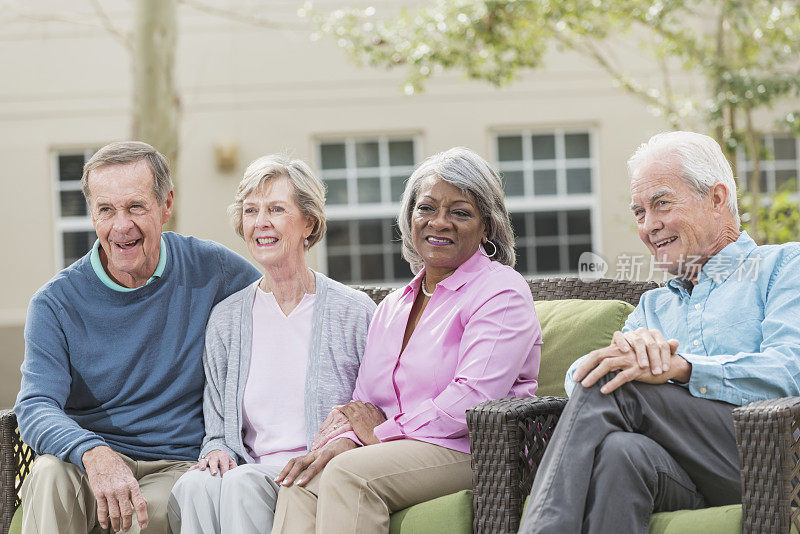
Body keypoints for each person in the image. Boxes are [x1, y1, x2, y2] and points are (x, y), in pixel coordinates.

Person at [519, 131, 800, 533]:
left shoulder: (784, 265)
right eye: (638, 212)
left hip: (774, 460)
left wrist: (681, 367)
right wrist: (621, 356)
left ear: (717, 199)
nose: (650, 225)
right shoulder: (653, 307)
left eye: (662, 203)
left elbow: (788, 371)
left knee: (621, 382)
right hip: (687, 471)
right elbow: (583, 383)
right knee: (621, 452)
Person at [271, 146, 542, 533]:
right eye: (427, 208)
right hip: (397, 448)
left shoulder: (501, 292)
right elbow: (363, 401)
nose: (440, 222)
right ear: (410, 217)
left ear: (487, 226)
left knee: (350, 475)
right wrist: (346, 438)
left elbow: (474, 398)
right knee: (303, 479)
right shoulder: (394, 305)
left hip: (478, 450)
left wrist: (380, 433)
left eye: (460, 212)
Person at [15, 141, 261, 534]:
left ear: (166, 205)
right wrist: (92, 452)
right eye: (106, 210)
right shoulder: (54, 302)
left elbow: (284, 303)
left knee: (143, 515)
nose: (121, 226)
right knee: (46, 474)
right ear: (92, 214)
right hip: (88, 460)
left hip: (176, 463)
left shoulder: (211, 269)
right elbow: (35, 404)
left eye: (135, 207)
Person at [167, 155, 376, 534]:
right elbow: (216, 423)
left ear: (308, 222)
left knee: (240, 484)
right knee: (195, 485)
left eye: (276, 209)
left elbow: (375, 404)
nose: (260, 222)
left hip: (318, 470)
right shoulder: (227, 318)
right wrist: (215, 447)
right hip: (249, 467)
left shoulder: (354, 312)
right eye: (251, 211)